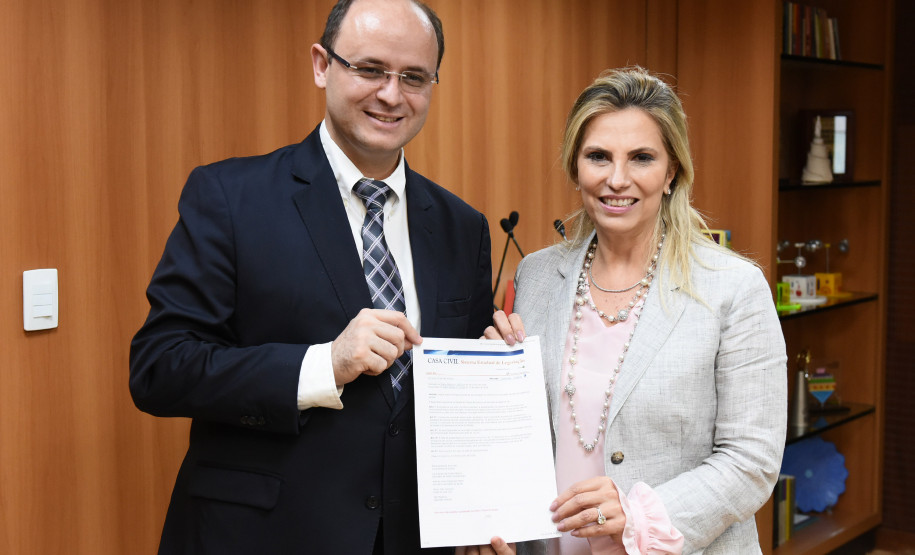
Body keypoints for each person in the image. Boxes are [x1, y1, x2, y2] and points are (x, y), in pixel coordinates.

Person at [129, 0, 493, 553]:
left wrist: (493, 359)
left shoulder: (462, 226)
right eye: (369, 69)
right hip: (263, 536)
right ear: (323, 65)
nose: (392, 95)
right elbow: (160, 367)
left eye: (414, 77)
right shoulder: (230, 198)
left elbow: (452, 399)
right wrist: (324, 364)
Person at [481, 67, 787, 554]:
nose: (616, 179)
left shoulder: (734, 288)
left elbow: (752, 459)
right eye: (598, 156)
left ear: (671, 172)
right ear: (576, 167)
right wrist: (493, 377)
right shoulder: (536, 277)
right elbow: (523, 433)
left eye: (641, 158)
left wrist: (639, 517)